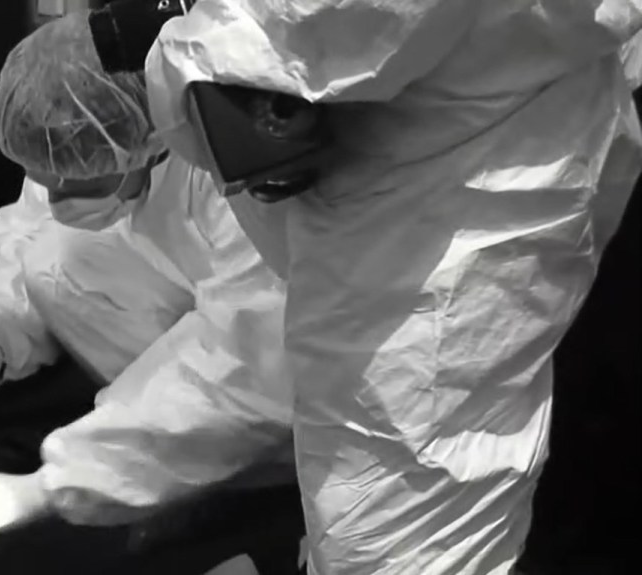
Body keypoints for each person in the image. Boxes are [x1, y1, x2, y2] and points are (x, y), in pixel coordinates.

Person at [142, 2, 642, 574]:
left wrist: (175, 50)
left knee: (400, 534)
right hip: (488, 157)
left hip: (437, 225)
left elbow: (288, 27)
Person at [0, 10, 299, 568]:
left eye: (77, 184)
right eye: (47, 183)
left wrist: (47, 488)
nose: (57, 201)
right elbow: (30, 246)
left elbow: (243, 369)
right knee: (56, 248)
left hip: (276, 424)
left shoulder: (231, 178)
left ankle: (209, 486)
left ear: (147, 138)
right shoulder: (80, 144)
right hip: (176, 360)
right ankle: (133, 459)